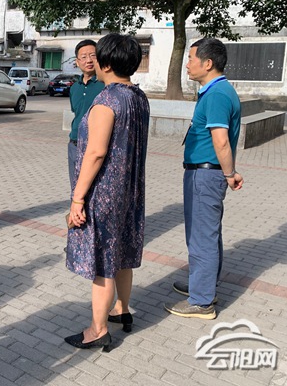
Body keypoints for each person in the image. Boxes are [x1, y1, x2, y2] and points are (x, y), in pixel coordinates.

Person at [64, 33, 149, 351]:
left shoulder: (106, 101)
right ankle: (121, 308)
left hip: (105, 193)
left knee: (102, 260)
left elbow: (96, 153)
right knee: (122, 251)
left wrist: (78, 198)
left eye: (97, 57)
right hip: (130, 190)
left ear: (107, 63)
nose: (93, 62)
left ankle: (97, 329)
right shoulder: (138, 97)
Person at [165, 38, 243, 320]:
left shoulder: (217, 95)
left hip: (206, 174)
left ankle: (202, 301)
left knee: (201, 238)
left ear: (207, 63)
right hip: (205, 173)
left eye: (191, 58)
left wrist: (229, 173)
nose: (187, 64)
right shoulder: (215, 91)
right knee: (208, 234)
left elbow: (220, 141)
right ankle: (203, 285)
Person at [68, 39, 105, 189]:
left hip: (95, 146)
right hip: (74, 144)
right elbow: (76, 112)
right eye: (83, 57)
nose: (88, 60)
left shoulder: (105, 85)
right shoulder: (74, 88)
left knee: (94, 189)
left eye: (93, 55)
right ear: (77, 62)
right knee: (75, 187)